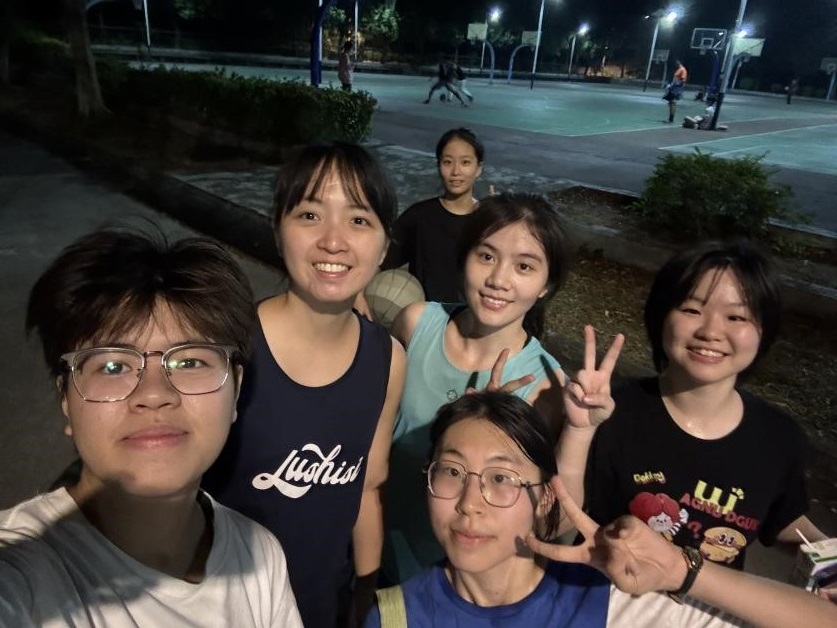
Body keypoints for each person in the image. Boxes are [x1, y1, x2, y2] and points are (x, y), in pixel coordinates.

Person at [2, 228, 302, 626]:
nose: (155, 394)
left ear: (236, 388)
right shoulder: (21, 572)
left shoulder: (260, 556)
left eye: (190, 362)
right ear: (66, 400)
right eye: (113, 366)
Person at [366, 392, 837, 627]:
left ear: (545, 498)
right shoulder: (395, 616)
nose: (470, 504)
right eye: (451, 471)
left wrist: (679, 569)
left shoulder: (611, 600)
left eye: (502, 478)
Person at [203, 142, 407, 628]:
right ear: (277, 229)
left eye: (359, 220)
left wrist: (366, 593)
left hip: (324, 609)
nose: (333, 241)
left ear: (384, 246)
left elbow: (367, 487)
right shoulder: (227, 348)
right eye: (310, 215)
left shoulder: (388, 360)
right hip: (220, 609)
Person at [381, 192, 624, 583]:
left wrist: (580, 431)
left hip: (455, 579)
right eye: (486, 256)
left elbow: (556, 523)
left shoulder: (546, 387)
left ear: (546, 284)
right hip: (372, 541)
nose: (498, 280)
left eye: (524, 266)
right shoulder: (415, 324)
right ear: (464, 257)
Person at [585, 240, 827, 572]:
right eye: (691, 310)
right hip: (605, 594)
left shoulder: (780, 438)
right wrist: (576, 429)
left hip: (709, 603)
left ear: (763, 332)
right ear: (660, 317)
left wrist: (829, 556)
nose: (711, 331)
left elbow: (781, 519)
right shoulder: (611, 413)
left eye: (736, 316)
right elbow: (562, 510)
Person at [362, 127, 486, 309]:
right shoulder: (418, 216)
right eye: (447, 162)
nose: (455, 171)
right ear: (438, 166)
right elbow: (381, 261)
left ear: (479, 168)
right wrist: (359, 294)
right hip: (423, 319)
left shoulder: (488, 220)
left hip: (474, 319)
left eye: (465, 162)